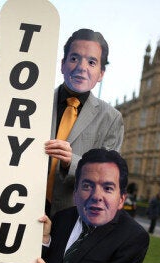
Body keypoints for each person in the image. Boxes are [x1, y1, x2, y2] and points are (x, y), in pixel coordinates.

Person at [29, 148, 149, 263]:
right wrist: (45, 241)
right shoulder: (61, 218)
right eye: (87, 185)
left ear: (121, 199)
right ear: (76, 192)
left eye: (107, 188)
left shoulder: (133, 237)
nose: (96, 196)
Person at [45, 29, 124, 217]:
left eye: (91, 62)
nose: (81, 67)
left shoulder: (111, 119)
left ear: (101, 73)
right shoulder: (35, 101)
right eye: (74, 59)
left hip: (72, 218)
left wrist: (71, 162)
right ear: (62, 65)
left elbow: (106, 177)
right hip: (19, 208)